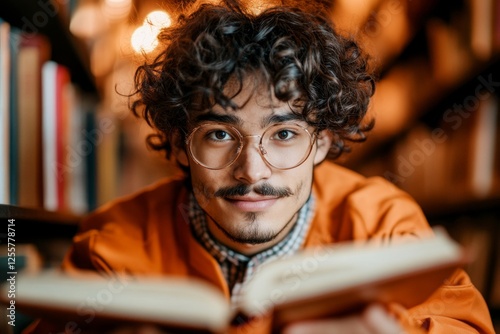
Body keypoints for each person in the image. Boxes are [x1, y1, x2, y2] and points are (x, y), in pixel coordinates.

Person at [25, 0, 494, 333]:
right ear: (179, 145)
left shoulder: (384, 223)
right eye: (220, 134)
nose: (252, 171)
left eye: (285, 134)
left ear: (323, 143)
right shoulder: (113, 241)